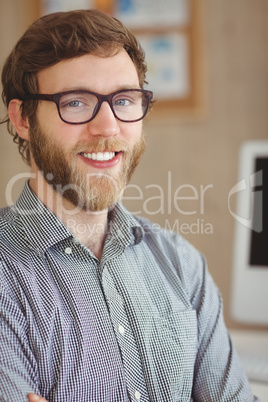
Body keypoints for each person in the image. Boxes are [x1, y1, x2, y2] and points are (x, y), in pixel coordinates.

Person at [0, 9, 258, 402]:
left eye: (123, 99)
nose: (108, 127)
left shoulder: (182, 265)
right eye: (75, 102)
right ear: (22, 118)